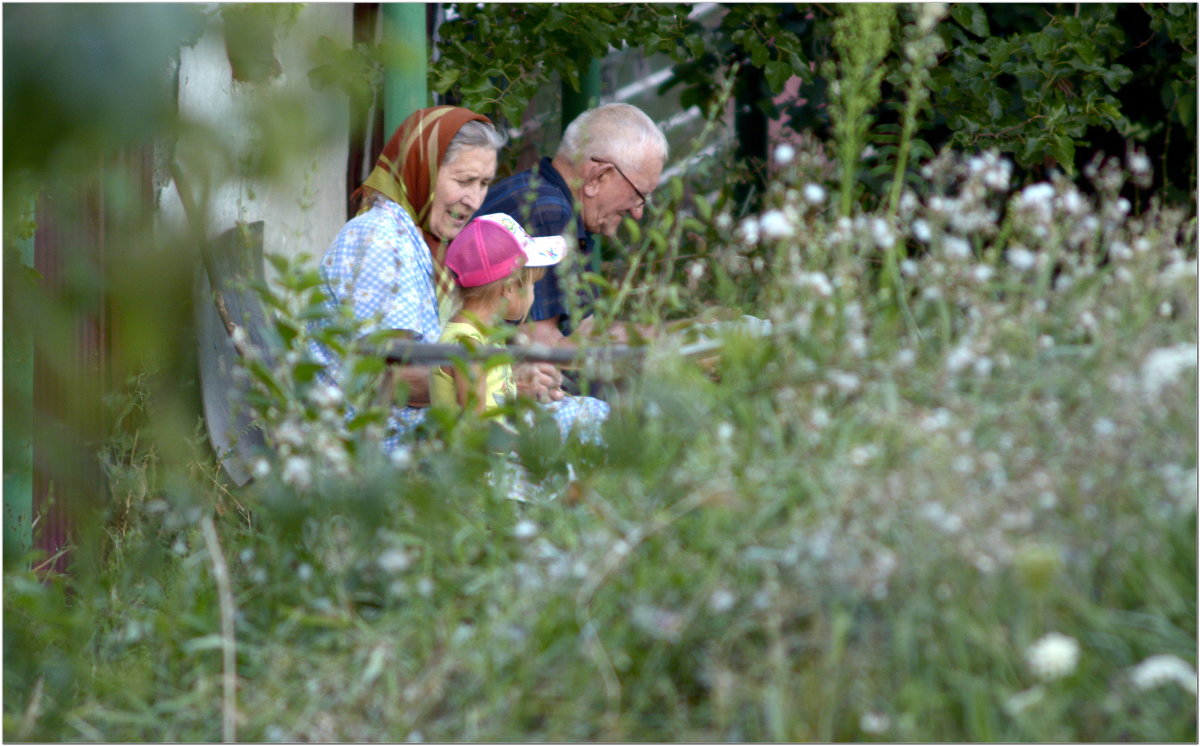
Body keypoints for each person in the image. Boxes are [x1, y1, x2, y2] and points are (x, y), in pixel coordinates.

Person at [310, 106, 561, 449]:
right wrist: (502, 378)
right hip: (369, 449)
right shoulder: (381, 239)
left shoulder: (422, 240)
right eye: (463, 181)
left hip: (415, 433)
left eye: (484, 183)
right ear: (423, 169)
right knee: (572, 430)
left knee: (573, 418)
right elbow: (393, 377)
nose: (473, 200)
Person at [476, 103, 668, 353]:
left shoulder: (555, 202)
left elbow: (583, 329)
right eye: (638, 195)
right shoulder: (546, 213)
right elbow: (542, 350)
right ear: (598, 177)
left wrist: (684, 334)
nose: (637, 211)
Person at [431, 213, 610, 439]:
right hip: (480, 468)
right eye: (532, 285)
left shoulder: (485, 334)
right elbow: (478, 431)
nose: (533, 295)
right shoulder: (469, 345)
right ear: (509, 288)